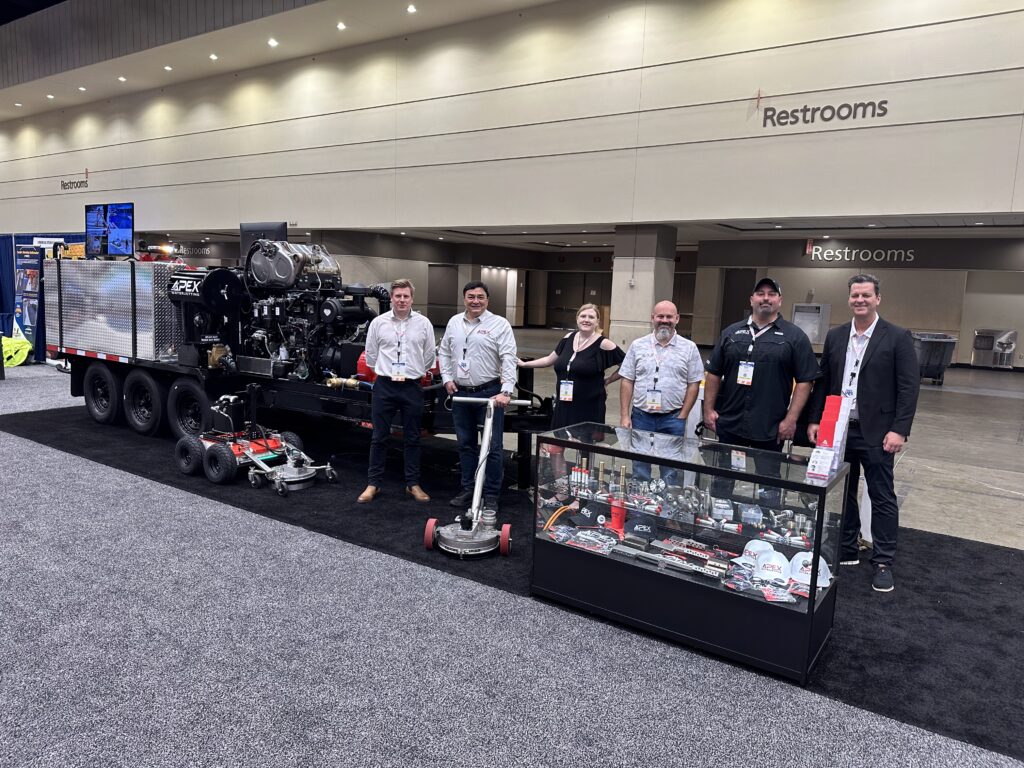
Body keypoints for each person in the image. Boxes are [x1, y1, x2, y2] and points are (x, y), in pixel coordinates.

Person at [808, 274, 920, 593]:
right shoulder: (836, 336)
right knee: (843, 491)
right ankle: (847, 547)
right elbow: (824, 382)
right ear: (849, 299)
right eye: (855, 295)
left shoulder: (897, 337)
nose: (860, 300)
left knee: (881, 494)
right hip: (840, 429)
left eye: (866, 295)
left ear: (877, 299)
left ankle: (883, 561)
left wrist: (899, 429)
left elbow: (909, 387)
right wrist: (816, 420)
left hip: (877, 431)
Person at [703, 277, 819, 503]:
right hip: (731, 423)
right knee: (723, 479)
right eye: (760, 293)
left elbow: (806, 381)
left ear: (780, 300)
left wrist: (791, 420)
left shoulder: (794, 336)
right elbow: (714, 373)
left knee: (769, 483)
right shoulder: (731, 332)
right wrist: (708, 410)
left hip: (771, 427)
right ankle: (719, 517)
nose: (766, 298)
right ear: (752, 299)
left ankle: (768, 520)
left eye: (771, 294)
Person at [438, 281, 518, 510]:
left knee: (493, 447)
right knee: (465, 445)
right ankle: (469, 489)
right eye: (471, 297)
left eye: (480, 297)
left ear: (487, 300)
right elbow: (444, 352)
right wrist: (447, 378)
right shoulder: (454, 322)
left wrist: (506, 390)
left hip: (489, 394)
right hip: (461, 393)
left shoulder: (499, 324)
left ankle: (491, 495)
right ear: (464, 299)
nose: (476, 301)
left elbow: (508, 357)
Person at [358, 279, 437, 504]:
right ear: (392, 298)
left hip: (412, 386)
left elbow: (429, 355)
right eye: (398, 296)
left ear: (412, 299)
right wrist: (386, 372)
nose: (402, 300)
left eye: (406, 296)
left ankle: (413, 484)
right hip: (385, 385)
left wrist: (414, 371)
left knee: (412, 437)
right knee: (379, 437)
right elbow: (371, 355)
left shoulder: (424, 324)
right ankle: (373, 484)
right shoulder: (378, 323)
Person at [618, 300, 704, 485]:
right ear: (652, 318)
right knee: (640, 467)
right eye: (660, 316)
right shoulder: (637, 345)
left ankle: (667, 502)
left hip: (672, 418)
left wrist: (683, 415)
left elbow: (694, 384)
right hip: (641, 417)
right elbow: (627, 380)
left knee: (670, 470)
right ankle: (641, 501)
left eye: (669, 317)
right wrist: (625, 415)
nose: (664, 320)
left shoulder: (689, 348)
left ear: (677, 319)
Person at [518, 303, 624, 429]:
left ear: (597, 322)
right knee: (559, 438)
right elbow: (549, 360)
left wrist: (608, 380)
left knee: (584, 439)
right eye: (583, 316)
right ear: (577, 318)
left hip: (589, 406)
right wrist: (525, 364)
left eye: (591, 317)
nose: (586, 320)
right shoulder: (568, 338)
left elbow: (627, 365)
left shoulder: (604, 343)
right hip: (564, 403)